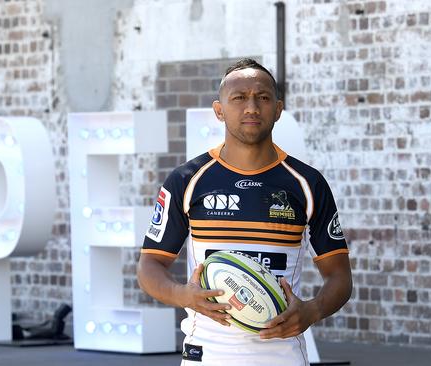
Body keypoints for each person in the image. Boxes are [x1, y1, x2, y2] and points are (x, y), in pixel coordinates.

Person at [137, 58, 352, 365]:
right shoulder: (187, 180)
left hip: (281, 356)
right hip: (207, 355)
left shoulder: (307, 183)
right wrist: (183, 295)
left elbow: (340, 276)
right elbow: (149, 266)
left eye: (262, 98)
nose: (251, 107)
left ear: (277, 109)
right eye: (238, 98)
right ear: (219, 110)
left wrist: (312, 310)